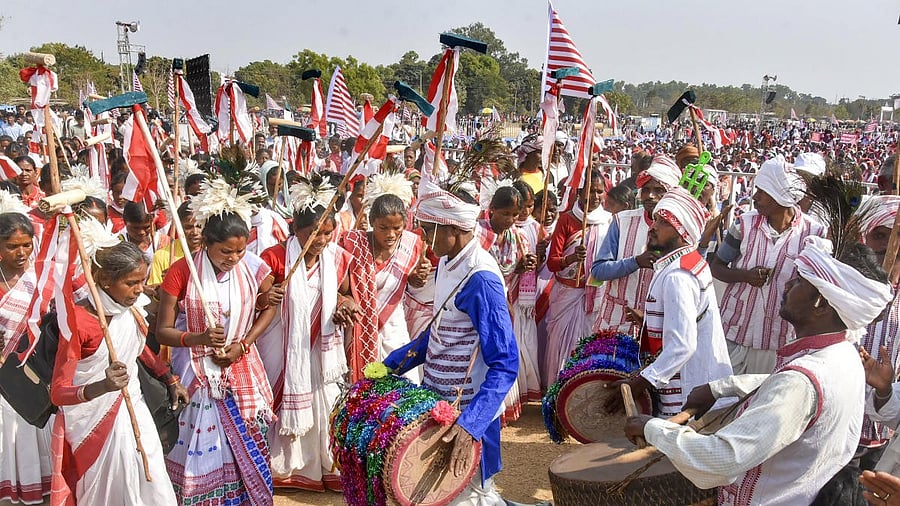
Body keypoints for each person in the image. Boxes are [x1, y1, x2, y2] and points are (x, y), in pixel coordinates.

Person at [625, 237, 892, 506]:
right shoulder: (843, 352)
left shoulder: (804, 380)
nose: (786, 286)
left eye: (799, 281)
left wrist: (653, 429)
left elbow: (724, 460)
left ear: (820, 303)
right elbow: (787, 386)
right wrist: (719, 388)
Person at [384, 179, 518, 505]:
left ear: (452, 230)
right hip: (440, 404)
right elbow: (440, 331)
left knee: (471, 497)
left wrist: (470, 426)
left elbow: (505, 363)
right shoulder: (447, 261)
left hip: (468, 411)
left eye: (429, 230)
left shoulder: (481, 278)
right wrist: (390, 366)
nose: (424, 238)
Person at [50, 239, 189, 505]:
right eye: (131, 283)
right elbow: (58, 393)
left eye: (142, 281)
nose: (140, 290)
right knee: (111, 480)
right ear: (104, 281)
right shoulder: (79, 322)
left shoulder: (131, 310)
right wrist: (102, 386)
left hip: (133, 407)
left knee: (150, 468)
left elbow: (139, 349)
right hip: (92, 420)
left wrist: (169, 377)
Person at [156, 202, 278, 505]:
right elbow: (162, 331)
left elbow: (270, 304)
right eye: (225, 252)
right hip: (197, 370)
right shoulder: (181, 271)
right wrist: (199, 337)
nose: (233, 259)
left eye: (238, 251)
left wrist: (243, 344)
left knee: (246, 441)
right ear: (206, 243)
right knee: (202, 443)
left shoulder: (252, 265)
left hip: (242, 365)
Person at [257, 185, 358, 492]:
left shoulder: (337, 259)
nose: (322, 241)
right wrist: (267, 296)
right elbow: (256, 298)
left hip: (320, 349)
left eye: (328, 233)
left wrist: (345, 307)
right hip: (280, 347)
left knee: (323, 404)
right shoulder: (273, 257)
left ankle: (323, 468)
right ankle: (284, 468)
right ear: (295, 229)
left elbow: (346, 295)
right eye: (314, 233)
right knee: (279, 400)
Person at [607, 188, 733, 417]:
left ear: (682, 232)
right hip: (697, 381)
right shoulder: (683, 263)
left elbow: (682, 345)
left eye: (664, 222)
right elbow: (693, 318)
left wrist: (640, 383)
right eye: (655, 219)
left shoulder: (678, 276)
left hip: (688, 390)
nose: (653, 227)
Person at [711, 156, 826, 374]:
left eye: (762, 193)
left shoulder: (813, 233)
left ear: (779, 196)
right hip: (735, 330)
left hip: (777, 338)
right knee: (720, 397)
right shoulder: (743, 224)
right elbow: (716, 266)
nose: (755, 197)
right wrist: (745, 276)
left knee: (758, 400)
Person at [339, 186, 424, 382]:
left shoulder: (412, 245)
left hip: (394, 327)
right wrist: (345, 301)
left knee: (401, 382)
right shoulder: (352, 243)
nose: (391, 234)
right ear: (371, 223)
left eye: (397, 228)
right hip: (358, 330)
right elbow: (338, 287)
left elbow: (413, 282)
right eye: (383, 228)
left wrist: (416, 279)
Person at [590, 155, 680, 334]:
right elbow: (598, 271)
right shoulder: (622, 222)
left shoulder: (680, 231)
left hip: (657, 329)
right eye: (646, 189)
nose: (650, 196)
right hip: (615, 325)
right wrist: (635, 262)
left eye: (658, 190)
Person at [0, 210, 52, 505]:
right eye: (12, 246)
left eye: (26, 245)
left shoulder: (42, 277)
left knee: (34, 438)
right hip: (4, 381)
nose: (21, 253)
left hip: (35, 376)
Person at [544, 169, 612, 384]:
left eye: (599, 192)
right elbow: (552, 263)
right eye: (590, 191)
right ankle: (558, 388)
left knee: (589, 342)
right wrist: (571, 259)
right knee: (560, 344)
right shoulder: (567, 220)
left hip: (596, 296)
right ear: (580, 192)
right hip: (567, 294)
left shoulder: (608, 221)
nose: (595, 197)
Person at [147, 202, 204, 286]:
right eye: (188, 227)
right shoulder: (162, 256)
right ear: (178, 227)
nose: (195, 232)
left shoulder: (213, 253)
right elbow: (154, 292)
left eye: (199, 226)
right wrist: (167, 283)